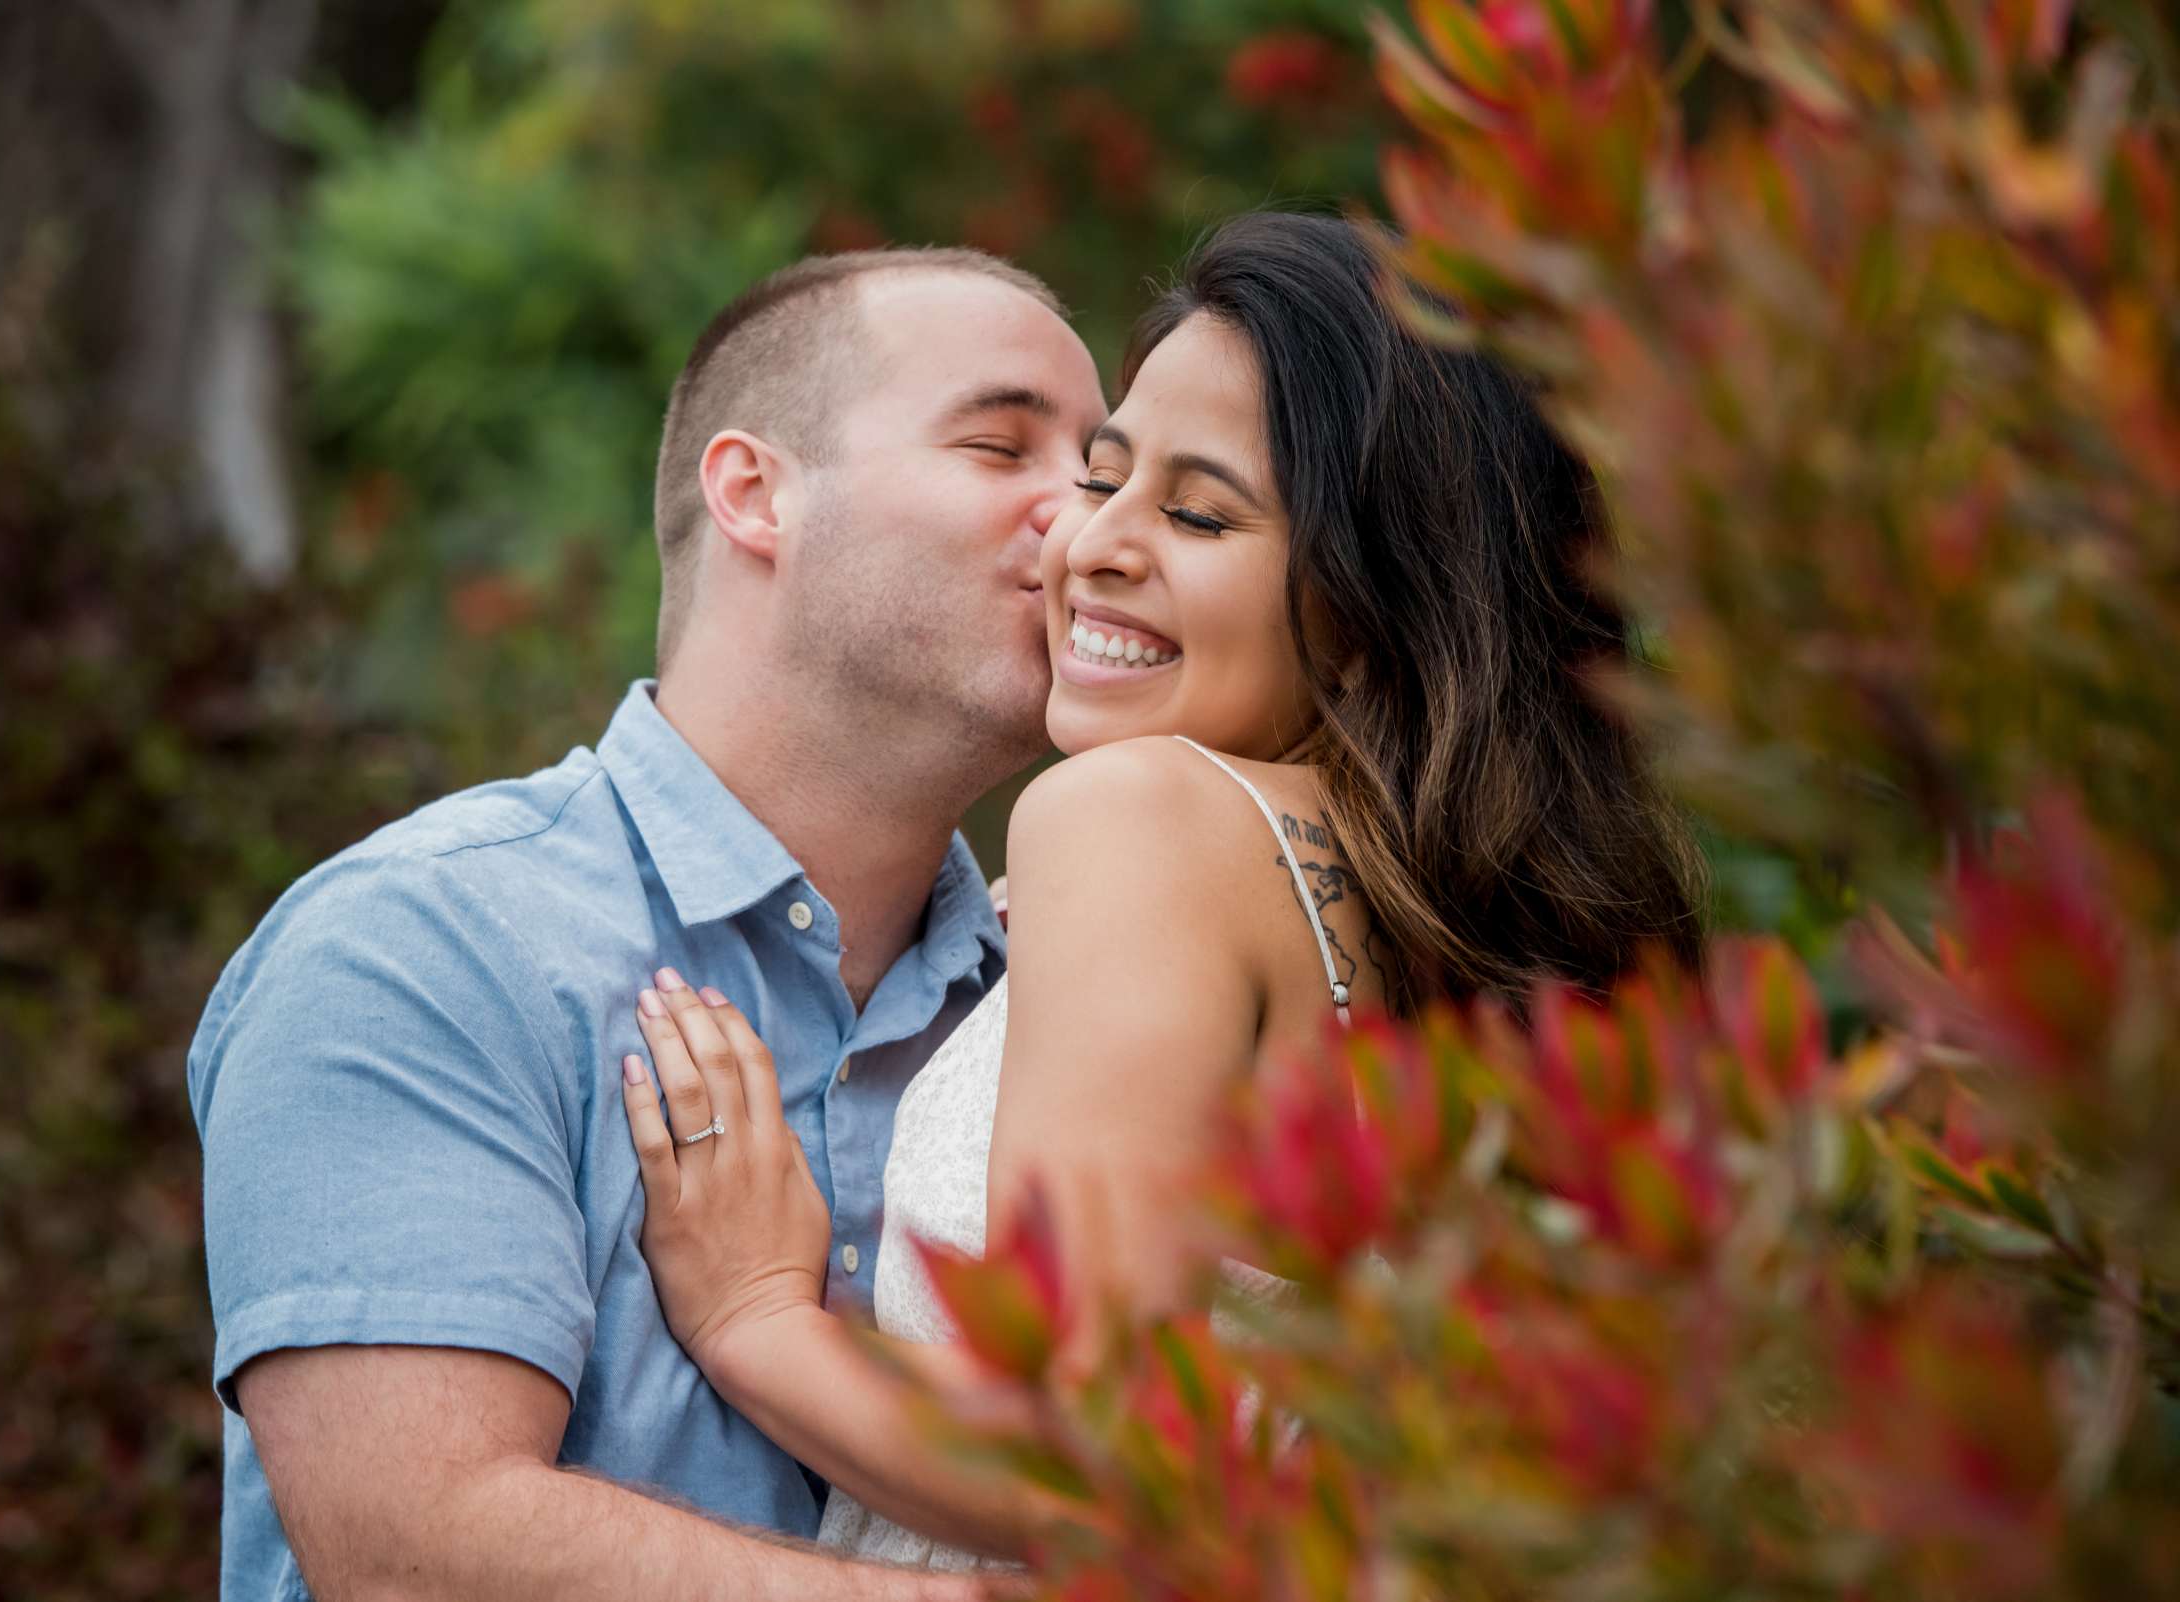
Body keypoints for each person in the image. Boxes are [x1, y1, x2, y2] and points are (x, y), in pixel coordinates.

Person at [616, 210, 1708, 1570]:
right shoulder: (1441, 928)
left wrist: (762, 1322)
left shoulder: (1137, 821)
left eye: (1198, 513)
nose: (1091, 546)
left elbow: (1103, 1471)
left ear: (1373, 612)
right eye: (1106, 476)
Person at [186, 246, 1107, 1601]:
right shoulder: (423, 947)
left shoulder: (1068, 1003)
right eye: (1000, 444)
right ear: (755, 492)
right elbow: (414, 1554)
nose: (1088, 520)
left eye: (1101, 467)